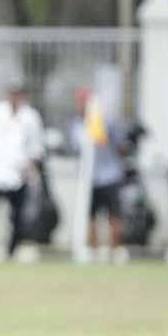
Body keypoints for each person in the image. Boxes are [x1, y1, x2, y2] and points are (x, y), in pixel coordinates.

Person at [0, 78, 45, 259]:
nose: (15, 96)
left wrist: (31, 168)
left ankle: (12, 250)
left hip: (18, 173)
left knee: (17, 215)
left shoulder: (31, 116)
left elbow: (36, 146)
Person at [69, 88, 127, 260]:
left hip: (110, 175)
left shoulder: (106, 121)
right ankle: (93, 253)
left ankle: (115, 252)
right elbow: (76, 149)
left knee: (114, 216)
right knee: (91, 218)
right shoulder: (76, 124)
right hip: (89, 178)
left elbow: (121, 145)